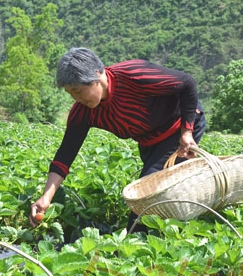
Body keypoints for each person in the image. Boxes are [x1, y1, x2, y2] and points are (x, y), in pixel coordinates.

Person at [29, 47, 206, 233]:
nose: (76, 98)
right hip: (148, 140)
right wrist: (46, 198)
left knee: (145, 195)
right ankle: (177, 226)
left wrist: (186, 132)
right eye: (70, 93)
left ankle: (135, 246)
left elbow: (187, 83)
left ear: (97, 76)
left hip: (178, 128)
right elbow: (65, 154)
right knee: (162, 189)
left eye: (78, 91)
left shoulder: (134, 75)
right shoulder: (83, 112)